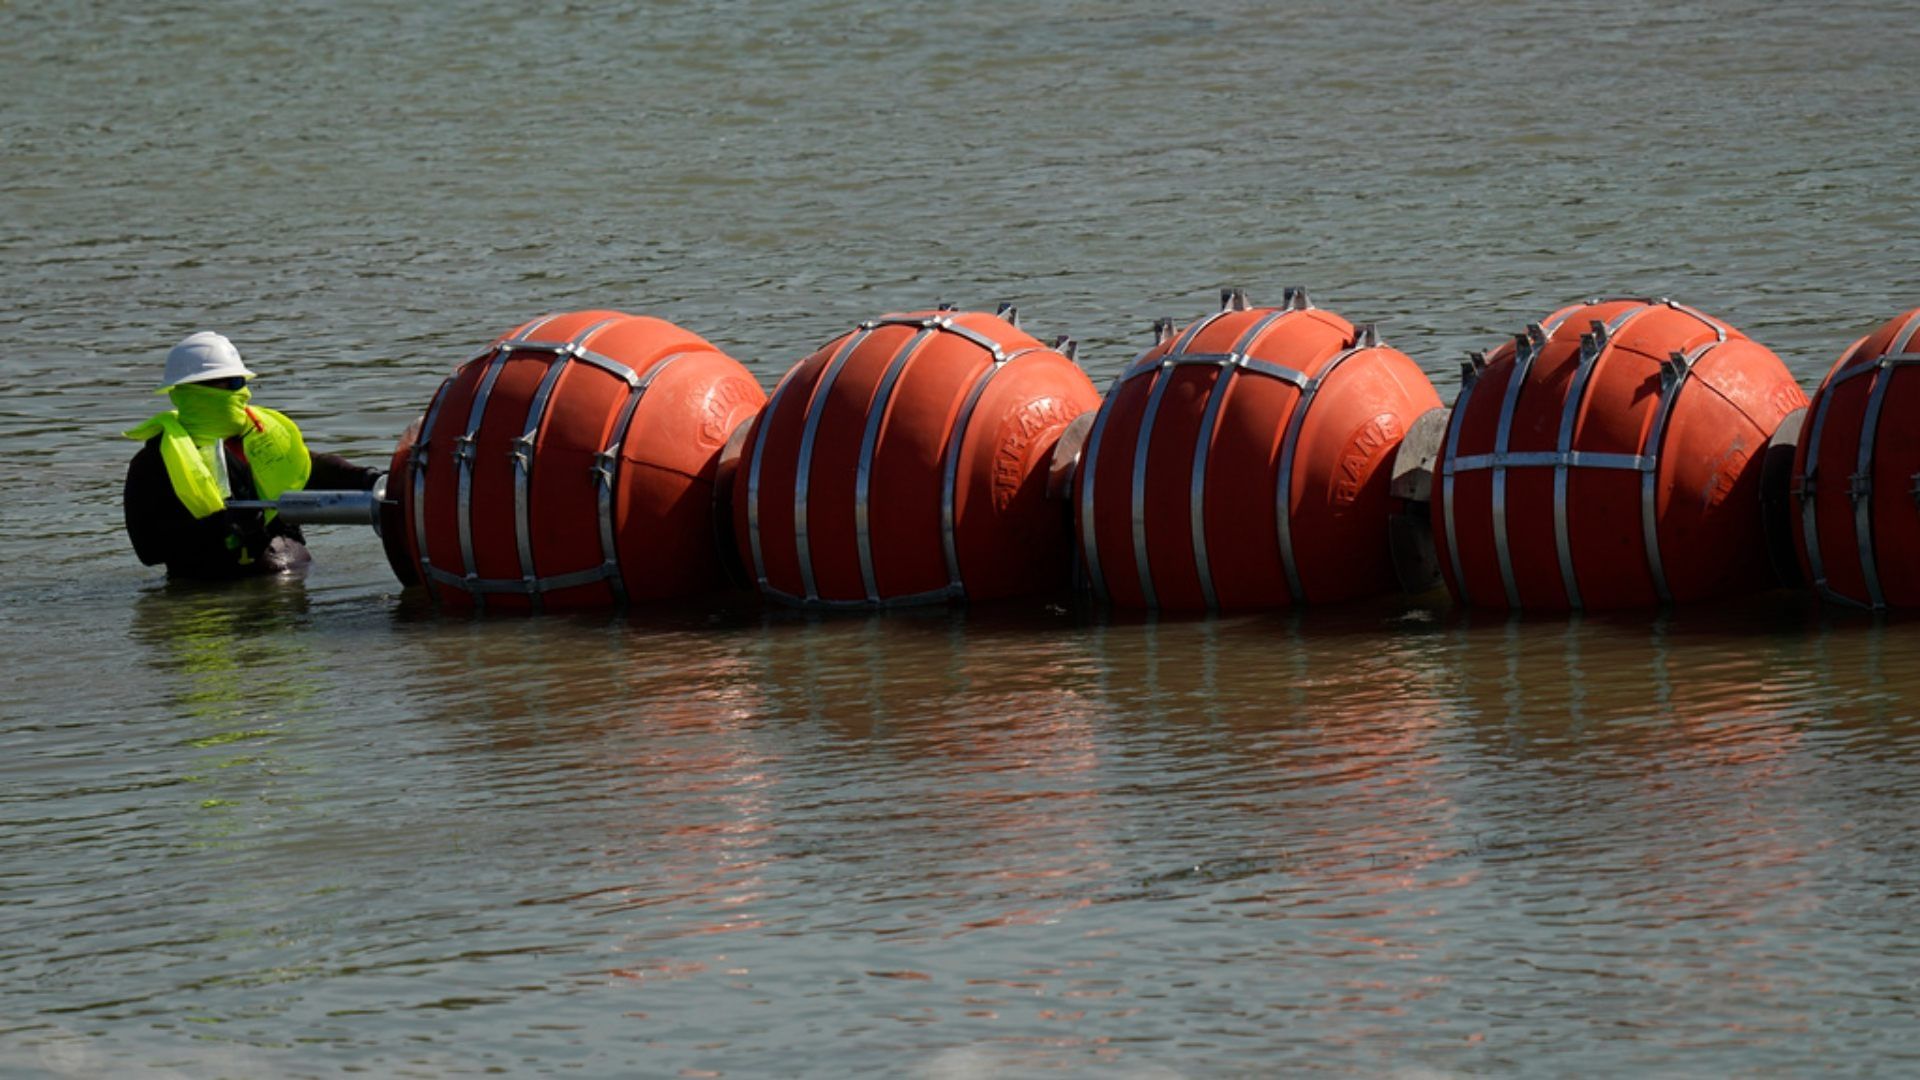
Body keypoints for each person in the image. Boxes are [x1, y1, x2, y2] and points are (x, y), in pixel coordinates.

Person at [124, 331, 381, 579]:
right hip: (213, 595)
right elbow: (148, 550)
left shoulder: (260, 438)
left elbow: (313, 469)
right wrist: (224, 526)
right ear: (192, 390)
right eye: (232, 383)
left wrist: (372, 479)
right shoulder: (152, 463)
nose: (242, 393)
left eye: (242, 382)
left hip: (291, 583)